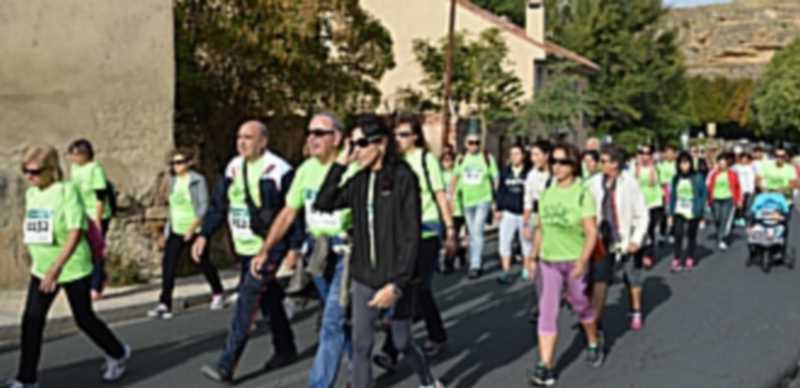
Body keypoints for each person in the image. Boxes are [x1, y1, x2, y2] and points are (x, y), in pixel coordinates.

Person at [313, 114, 444, 388]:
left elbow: (411, 236)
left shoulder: (404, 178)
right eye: (352, 144)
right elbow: (324, 202)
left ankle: (427, 381)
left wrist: (395, 285)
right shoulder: (359, 181)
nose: (357, 150)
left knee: (402, 341)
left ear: (382, 143)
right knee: (361, 345)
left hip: (398, 277)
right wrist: (340, 164)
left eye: (362, 143)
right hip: (365, 276)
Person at [253, 112, 359, 388]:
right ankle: (361, 373)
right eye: (310, 132)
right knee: (336, 319)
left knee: (332, 320)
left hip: (345, 251)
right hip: (317, 252)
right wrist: (265, 250)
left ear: (337, 138)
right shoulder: (305, 170)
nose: (312, 138)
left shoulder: (353, 169)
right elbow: (288, 213)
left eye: (319, 133)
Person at [10, 145, 130, 388]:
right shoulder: (32, 193)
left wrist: (57, 267)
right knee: (32, 320)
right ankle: (27, 379)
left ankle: (117, 352)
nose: (29, 177)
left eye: (35, 172)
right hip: (42, 268)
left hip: (71, 266)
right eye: (26, 171)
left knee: (83, 318)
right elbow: (36, 226)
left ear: (51, 170)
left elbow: (76, 231)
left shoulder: (67, 191)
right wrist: (30, 251)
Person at [196, 121, 302, 384]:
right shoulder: (234, 167)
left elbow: (293, 211)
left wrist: (294, 247)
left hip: (268, 248)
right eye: (239, 137)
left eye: (248, 137)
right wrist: (204, 234)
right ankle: (286, 348)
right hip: (243, 248)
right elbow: (219, 205)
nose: (242, 142)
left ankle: (226, 365)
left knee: (247, 302)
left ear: (263, 141)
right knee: (269, 299)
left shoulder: (278, 170)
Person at [373, 112, 455, 370]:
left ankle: (390, 350)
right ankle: (437, 334)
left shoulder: (425, 159)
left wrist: (450, 228)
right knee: (421, 289)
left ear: (416, 137)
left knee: (406, 285)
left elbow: (440, 195)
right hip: (400, 233)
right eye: (395, 134)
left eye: (404, 134)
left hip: (426, 230)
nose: (398, 139)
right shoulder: (391, 162)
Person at [528, 143, 602, 387]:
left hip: (574, 260)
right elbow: (540, 228)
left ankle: (593, 340)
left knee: (581, 305)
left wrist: (583, 260)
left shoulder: (581, 193)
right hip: (549, 261)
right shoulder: (547, 193)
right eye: (554, 162)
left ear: (574, 165)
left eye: (563, 162)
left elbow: (591, 232)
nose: (557, 167)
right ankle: (545, 365)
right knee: (547, 311)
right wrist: (532, 257)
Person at [147, 148, 225, 320]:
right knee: (169, 265)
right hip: (176, 229)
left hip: (195, 229)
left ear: (189, 163)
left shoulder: (197, 180)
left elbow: (203, 207)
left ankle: (218, 292)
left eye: (180, 162)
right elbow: (172, 208)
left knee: (202, 261)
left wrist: (192, 229)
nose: (176, 166)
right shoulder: (172, 182)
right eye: (173, 163)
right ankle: (165, 303)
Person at [586, 144, 649, 336]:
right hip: (602, 237)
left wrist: (636, 240)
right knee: (600, 278)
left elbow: (642, 214)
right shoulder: (593, 183)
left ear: (615, 163)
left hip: (626, 236)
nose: (600, 164)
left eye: (604, 161)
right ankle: (596, 321)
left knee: (632, 276)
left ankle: (636, 310)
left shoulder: (629, 183)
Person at [450, 127, 499, 279]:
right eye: (471, 143)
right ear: (465, 144)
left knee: (477, 230)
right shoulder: (461, 158)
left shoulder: (487, 157)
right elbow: (455, 177)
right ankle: (473, 259)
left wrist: (495, 198)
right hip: (467, 200)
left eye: (477, 143)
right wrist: (451, 197)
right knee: (472, 233)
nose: (474, 146)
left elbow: (495, 177)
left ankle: (475, 264)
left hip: (483, 199)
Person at [68, 139, 112, 301]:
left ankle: (95, 286)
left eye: (77, 154)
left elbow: (101, 196)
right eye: (72, 154)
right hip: (83, 214)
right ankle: (100, 277)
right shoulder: (74, 169)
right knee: (85, 251)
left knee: (96, 250)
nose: (74, 157)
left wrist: (98, 220)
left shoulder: (95, 169)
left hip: (96, 214)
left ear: (86, 154)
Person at [495, 144, 532, 283]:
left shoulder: (529, 172)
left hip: (525, 212)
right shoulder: (505, 172)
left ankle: (526, 269)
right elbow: (501, 191)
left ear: (523, 156)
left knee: (526, 242)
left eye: (517, 154)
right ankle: (506, 270)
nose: (514, 157)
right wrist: (498, 208)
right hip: (508, 211)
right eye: (511, 154)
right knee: (505, 241)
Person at [667, 151, 708, 272]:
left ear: (691, 164)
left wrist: (700, 207)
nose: (684, 166)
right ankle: (677, 257)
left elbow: (704, 193)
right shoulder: (676, 178)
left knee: (691, 234)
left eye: (686, 163)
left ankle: (690, 256)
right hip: (679, 209)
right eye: (682, 163)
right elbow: (673, 197)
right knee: (678, 234)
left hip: (692, 210)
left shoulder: (697, 178)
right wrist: (670, 214)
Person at [522, 140, 553, 282]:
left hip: (554, 215)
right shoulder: (532, 175)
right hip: (537, 214)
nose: (533, 158)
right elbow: (528, 201)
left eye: (537, 154)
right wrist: (526, 224)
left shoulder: (556, 174)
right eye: (532, 155)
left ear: (546, 155)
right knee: (535, 245)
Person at [634, 145, 664, 269]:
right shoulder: (635, 168)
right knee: (639, 230)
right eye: (642, 153)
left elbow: (663, 183)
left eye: (648, 153)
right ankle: (638, 253)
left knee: (649, 229)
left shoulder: (657, 168)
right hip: (638, 204)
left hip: (654, 202)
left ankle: (648, 254)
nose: (645, 156)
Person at [707, 153, 742, 251]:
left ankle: (721, 239)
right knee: (717, 218)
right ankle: (720, 232)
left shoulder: (732, 174)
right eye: (720, 163)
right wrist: (707, 198)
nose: (722, 165)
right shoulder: (714, 174)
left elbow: (737, 187)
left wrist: (739, 199)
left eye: (724, 163)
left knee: (724, 218)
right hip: (715, 199)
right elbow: (709, 186)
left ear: (727, 164)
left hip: (728, 198)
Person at [441, 150, 467, 273]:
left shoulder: (458, 175)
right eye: (444, 160)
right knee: (448, 238)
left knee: (452, 238)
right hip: (443, 211)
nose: (447, 162)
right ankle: (460, 251)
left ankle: (448, 263)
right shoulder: (439, 175)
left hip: (458, 211)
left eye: (449, 160)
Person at [757, 145, 799, 212]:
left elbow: (795, 183)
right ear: (774, 156)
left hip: (785, 201)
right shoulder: (767, 166)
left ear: (786, 157)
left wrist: (784, 189)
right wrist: (762, 187)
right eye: (777, 156)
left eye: (782, 156)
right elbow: (758, 179)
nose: (779, 158)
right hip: (769, 199)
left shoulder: (790, 168)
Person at [658, 145, 677, 243]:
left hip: (677, 191)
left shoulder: (677, 164)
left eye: (671, 153)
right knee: (665, 214)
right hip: (665, 191)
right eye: (667, 153)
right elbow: (661, 179)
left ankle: (672, 233)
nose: (669, 155)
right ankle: (662, 232)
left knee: (675, 213)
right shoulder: (661, 165)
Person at [733, 153, 757, 226]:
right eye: (743, 159)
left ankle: (742, 217)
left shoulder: (749, 168)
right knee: (737, 204)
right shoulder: (735, 167)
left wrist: (752, 188)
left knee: (744, 204)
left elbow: (751, 178)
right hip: (737, 189)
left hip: (745, 189)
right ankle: (736, 217)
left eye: (746, 159)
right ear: (740, 159)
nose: (745, 160)